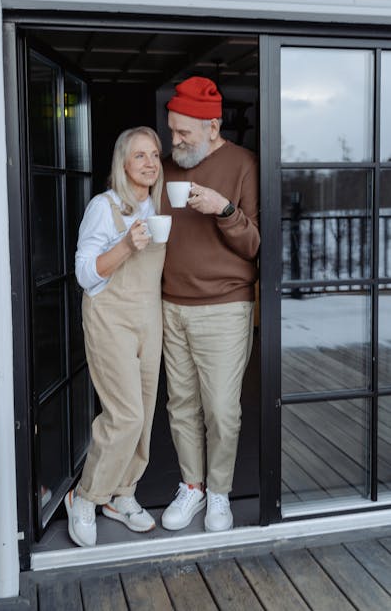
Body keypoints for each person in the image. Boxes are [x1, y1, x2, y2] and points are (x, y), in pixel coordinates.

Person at [160, 76, 260, 533]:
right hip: (169, 304)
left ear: (213, 126)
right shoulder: (167, 166)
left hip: (224, 305)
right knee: (180, 404)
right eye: (172, 130)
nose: (174, 140)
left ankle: (220, 492)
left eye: (183, 132)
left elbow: (255, 244)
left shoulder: (243, 165)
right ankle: (193, 488)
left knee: (221, 408)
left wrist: (224, 210)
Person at [66, 126, 166, 548]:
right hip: (110, 317)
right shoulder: (103, 207)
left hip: (149, 315)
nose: (150, 163)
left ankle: (122, 493)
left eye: (155, 155)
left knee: (143, 413)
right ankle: (85, 496)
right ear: (123, 163)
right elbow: (85, 274)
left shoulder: (159, 207)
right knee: (124, 414)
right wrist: (126, 245)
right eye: (140, 155)